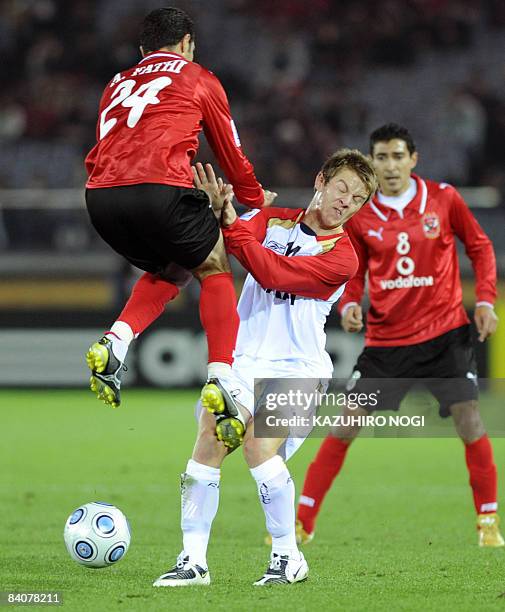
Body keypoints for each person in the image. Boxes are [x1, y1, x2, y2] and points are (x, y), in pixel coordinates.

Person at [103, 151, 377, 585]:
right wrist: (219, 209)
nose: (346, 202)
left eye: (358, 199)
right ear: (320, 180)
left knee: (257, 447)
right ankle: (192, 561)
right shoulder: (273, 219)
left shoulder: (343, 257)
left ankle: (288, 558)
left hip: (298, 368)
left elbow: (272, 273)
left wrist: (234, 220)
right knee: (207, 444)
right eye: (342, 188)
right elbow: (220, 244)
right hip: (244, 359)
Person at [296, 123, 503, 547]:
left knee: (470, 421)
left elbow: (480, 247)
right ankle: (303, 522)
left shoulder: (443, 198)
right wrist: (350, 303)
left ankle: (488, 523)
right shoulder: (362, 212)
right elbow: (351, 267)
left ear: (413, 159)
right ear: (371, 162)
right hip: (386, 343)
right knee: (344, 426)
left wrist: (484, 300)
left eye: (397, 156)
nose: (389, 166)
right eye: (381, 157)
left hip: (445, 335)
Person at [83, 7, 276, 426]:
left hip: (100, 198)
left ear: (142, 48)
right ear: (187, 43)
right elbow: (230, 151)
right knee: (214, 265)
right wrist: (254, 198)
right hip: (159, 190)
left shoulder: (115, 83)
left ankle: (116, 340)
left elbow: (104, 145)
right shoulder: (198, 78)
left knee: (173, 269)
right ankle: (221, 376)